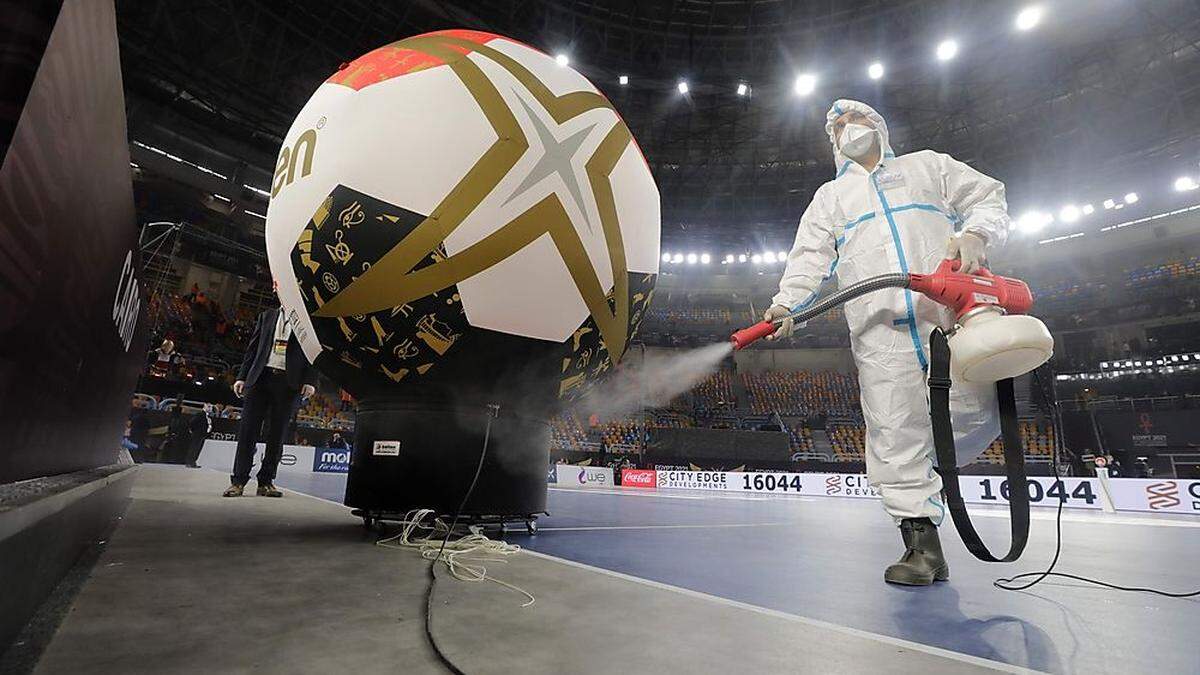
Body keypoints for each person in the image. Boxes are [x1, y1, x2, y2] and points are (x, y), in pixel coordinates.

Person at [767, 99, 1010, 586]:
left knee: (973, 410)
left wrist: (977, 234)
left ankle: (932, 478)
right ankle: (922, 547)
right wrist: (786, 305)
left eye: (853, 120)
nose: (845, 130)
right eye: (836, 127)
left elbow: (988, 195)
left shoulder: (928, 166)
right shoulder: (829, 199)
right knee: (894, 433)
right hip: (879, 331)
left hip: (948, 315)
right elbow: (808, 258)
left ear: (877, 125)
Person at [223, 307, 316, 497]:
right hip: (260, 378)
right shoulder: (266, 316)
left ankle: (266, 482)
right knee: (248, 431)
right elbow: (253, 348)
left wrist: (310, 381)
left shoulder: (306, 320)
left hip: (289, 383)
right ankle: (238, 481)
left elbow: (312, 352)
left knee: (277, 435)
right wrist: (241, 376)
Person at [185, 403, 214, 468]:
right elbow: (192, 422)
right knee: (194, 448)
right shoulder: (200, 414)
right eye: (209, 407)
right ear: (204, 406)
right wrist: (193, 431)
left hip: (202, 435)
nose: (210, 408)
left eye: (211, 407)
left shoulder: (207, 416)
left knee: (197, 449)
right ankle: (190, 462)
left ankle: (193, 462)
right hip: (197, 434)